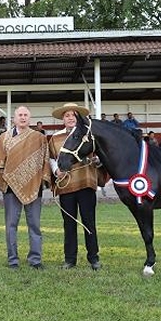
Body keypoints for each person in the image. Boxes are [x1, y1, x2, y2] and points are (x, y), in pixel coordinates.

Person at [48, 103, 103, 271]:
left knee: (89, 221)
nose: (70, 118)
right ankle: (70, 259)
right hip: (66, 185)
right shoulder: (55, 138)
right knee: (69, 223)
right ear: (62, 119)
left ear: (78, 118)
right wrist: (56, 170)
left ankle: (93, 258)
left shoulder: (89, 134)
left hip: (86, 182)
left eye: (73, 115)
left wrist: (98, 161)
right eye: (67, 115)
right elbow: (51, 158)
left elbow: (101, 154)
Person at [0, 105, 49, 270]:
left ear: (29, 118)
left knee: (35, 225)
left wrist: (43, 180)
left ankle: (35, 259)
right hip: (11, 186)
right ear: (14, 118)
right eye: (20, 115)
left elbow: (44, 160)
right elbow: (0, 160)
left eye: (25, 115)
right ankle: (13, 260)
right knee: (11, 225)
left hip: (34, 185)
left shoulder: (39, 138)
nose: (23, 117)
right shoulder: (4, 137)